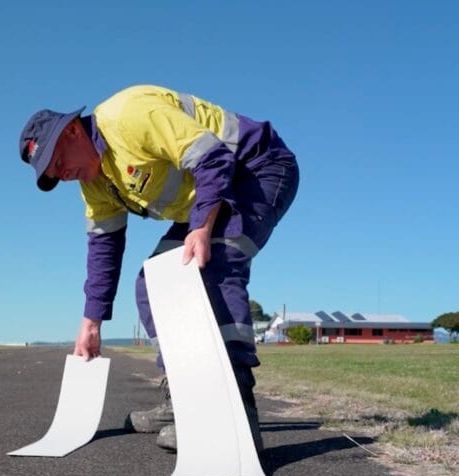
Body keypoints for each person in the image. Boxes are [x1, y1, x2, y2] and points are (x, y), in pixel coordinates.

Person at [18, 85, 299, 453]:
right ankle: (183, 400)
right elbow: (104, 247)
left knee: (217, 262)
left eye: (58, 161)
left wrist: (201, 227)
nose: (63, 174)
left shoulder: (128, 115)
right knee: (152, 284)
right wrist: (91, 321)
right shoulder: (95, 183)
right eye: (53, 174)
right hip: (209, 196)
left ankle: (235, 413)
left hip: (255, 171)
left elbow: (213, 158)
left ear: (72, 130)